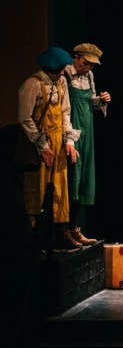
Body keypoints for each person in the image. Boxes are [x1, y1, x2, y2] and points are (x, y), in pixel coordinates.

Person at [18, 47, 81, 253]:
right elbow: (25, 118)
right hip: (39, 144)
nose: (62, 72)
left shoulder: (60, 82)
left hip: (58, 142)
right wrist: (42, 145)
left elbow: (65, 112)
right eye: (60, 69)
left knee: (60, 190)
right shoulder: (32, 84)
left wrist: (69, 141)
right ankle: (36, 241)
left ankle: (60, 237)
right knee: (38, 190)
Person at [64, 43, 111, 246]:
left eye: (91, 65)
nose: (88, 68)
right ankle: (63, 232)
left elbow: (90, 104)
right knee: (71, 179)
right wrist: (69, 137)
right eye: (85, 63)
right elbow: (64, 108)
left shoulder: (89, 76)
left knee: (83, 180)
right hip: (71, 130)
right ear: (76, 57)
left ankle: (74, 229)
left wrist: (102, 100)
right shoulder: (65, 74)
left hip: (87, 130)